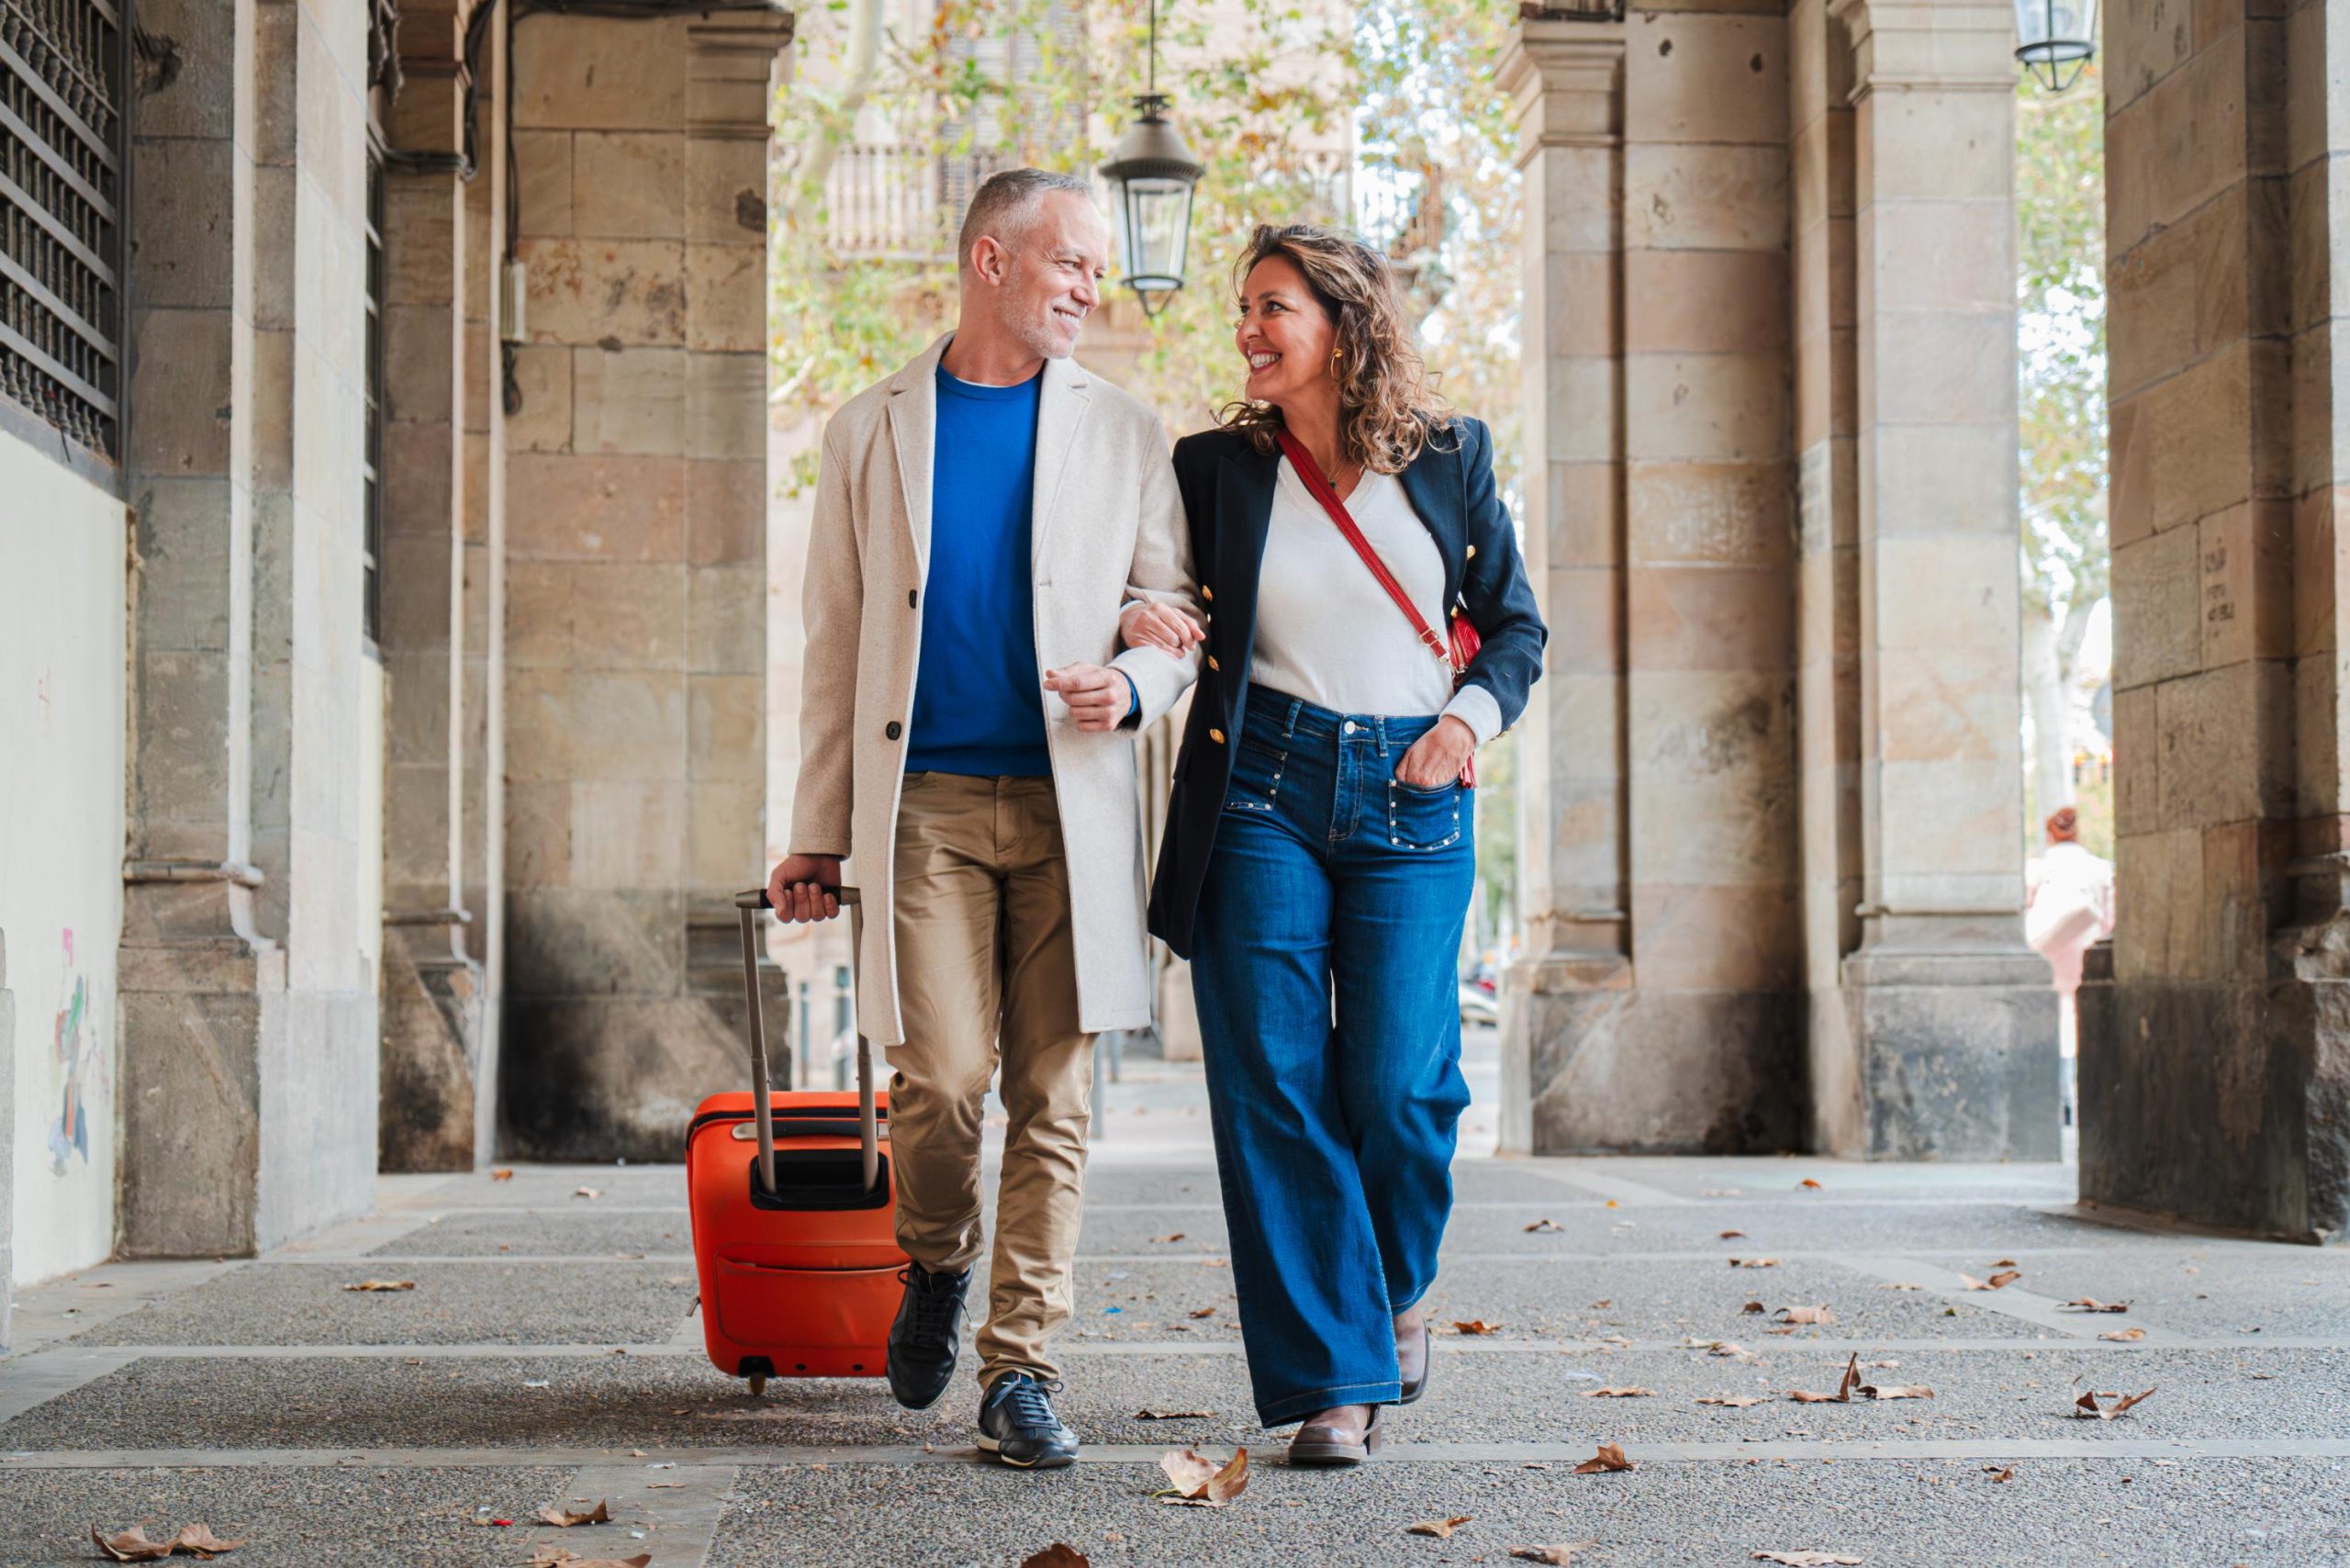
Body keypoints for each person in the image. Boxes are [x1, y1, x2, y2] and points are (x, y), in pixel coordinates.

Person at [767, 168, 1203, 1470]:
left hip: (1076, 808)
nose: (1089, 287)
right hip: (928, 811)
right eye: (1068, 263)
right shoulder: (871, 429)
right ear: (990, 261)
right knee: (944, 1081)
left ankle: (1022, 1369)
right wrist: (816, 830)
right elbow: (835, 638)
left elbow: (1178, 622)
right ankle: (938, 1260)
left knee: (1056, 1095)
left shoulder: (1128, 433)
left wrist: (1131, 679)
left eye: (1095, 272)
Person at [1125, 224, 1547, 1465]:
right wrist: (1139, 621)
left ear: (1342, 325)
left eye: (1273, 309)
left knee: (1402, 1089)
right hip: (1261, 788)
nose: (1248, 330)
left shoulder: (1450, 458)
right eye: (1244, 309)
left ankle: (1393, 1290)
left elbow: (1514, 628)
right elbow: (1154, 592)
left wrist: (1467, 724)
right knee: (1272, 1087)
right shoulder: (1210, 468)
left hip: (1416, 787)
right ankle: (1335, 1387)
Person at [2024, 804, 2115, 1123]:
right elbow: (2109, 918)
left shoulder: (2037, 869)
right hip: (2086, 949)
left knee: (2057, 1021)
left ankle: (2060, 1096)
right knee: (2079, 1023)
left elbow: (2025, 906)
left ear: (2050, 834)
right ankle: (2081, 1095)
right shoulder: (2099, 868)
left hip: (2047, 951)